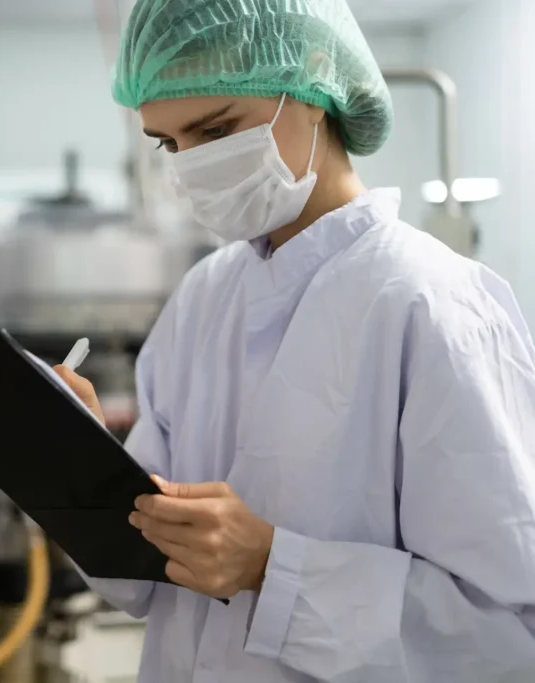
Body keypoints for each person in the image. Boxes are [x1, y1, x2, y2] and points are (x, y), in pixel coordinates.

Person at [54, 1, 535, 681]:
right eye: (168, 143)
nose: (192, 165)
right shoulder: (204, 298)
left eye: (216, 128)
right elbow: (136, 580)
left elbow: (506, 637)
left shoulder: (432, 302)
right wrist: (73, 459)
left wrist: (273, 569)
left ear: (314, 86)